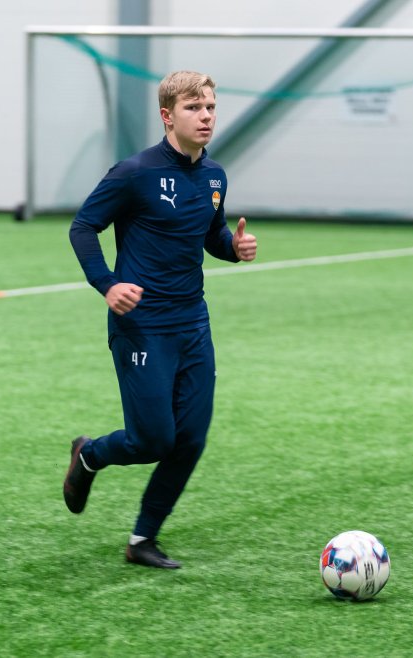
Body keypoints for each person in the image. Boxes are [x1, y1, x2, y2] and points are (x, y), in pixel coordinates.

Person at [64, 70, 258, 569]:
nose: (207, 116)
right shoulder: (135, 172)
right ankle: (90, 455)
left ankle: (141, 540)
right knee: (152, 439)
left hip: (193, 322)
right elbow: (84, 226)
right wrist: (107, 283)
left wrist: (232, 249)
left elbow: (210, 234)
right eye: (195, 108)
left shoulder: (215, 176)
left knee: (190, 438)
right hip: (142, 324)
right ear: (168, 116)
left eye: (211, 106)